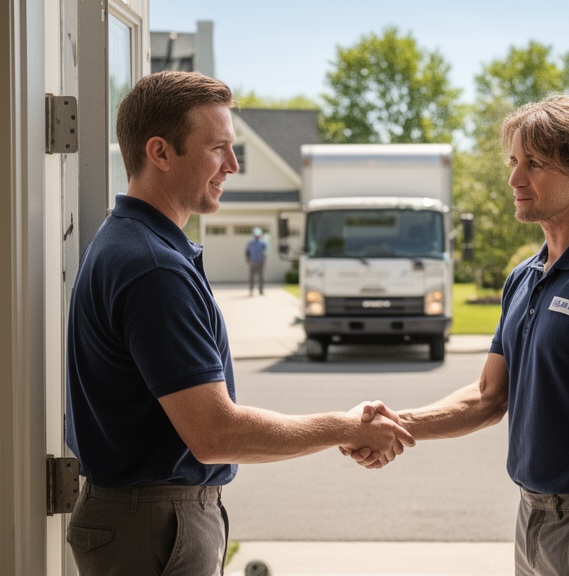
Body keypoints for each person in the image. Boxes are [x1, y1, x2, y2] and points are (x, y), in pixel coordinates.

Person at [64, 71, 414, 576]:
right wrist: (344, 426)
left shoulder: (129, 242)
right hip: (153, 526)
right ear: (160, 152)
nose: (232, 164)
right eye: (217, 148)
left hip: (143, 518)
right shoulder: (153, 267)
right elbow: (215, 434)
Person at [348, 95, 569, 576]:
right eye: (514, 162)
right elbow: (488, 397)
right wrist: (396, 423)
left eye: (535, 163)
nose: (515, 179)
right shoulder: (524, 277)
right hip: (531, 516)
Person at [245, 227, 267, 295]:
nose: (257, 236)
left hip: (260, 262)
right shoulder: (250, 243)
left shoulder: (262, 243)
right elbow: (247, 252)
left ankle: (261, 290)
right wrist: (247, 260)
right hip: (252, 262)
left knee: (261, 277)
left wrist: (265, 261)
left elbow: (265, 253)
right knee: (252, 277)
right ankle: (251, 290)